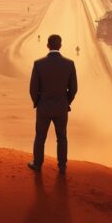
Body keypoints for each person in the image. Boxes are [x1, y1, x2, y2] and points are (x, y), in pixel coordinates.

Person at [28, 34, 78, 174]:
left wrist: (37, 102)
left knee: (40, 137)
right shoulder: (69, 64)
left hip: (43, 107)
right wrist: (66, 101)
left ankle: (37, 164)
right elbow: (73, 88)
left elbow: (33, 88)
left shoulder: (39, 64)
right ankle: (62, 166)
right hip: (61, 108)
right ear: (60, 45)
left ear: (47, 45)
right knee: (62, 137)